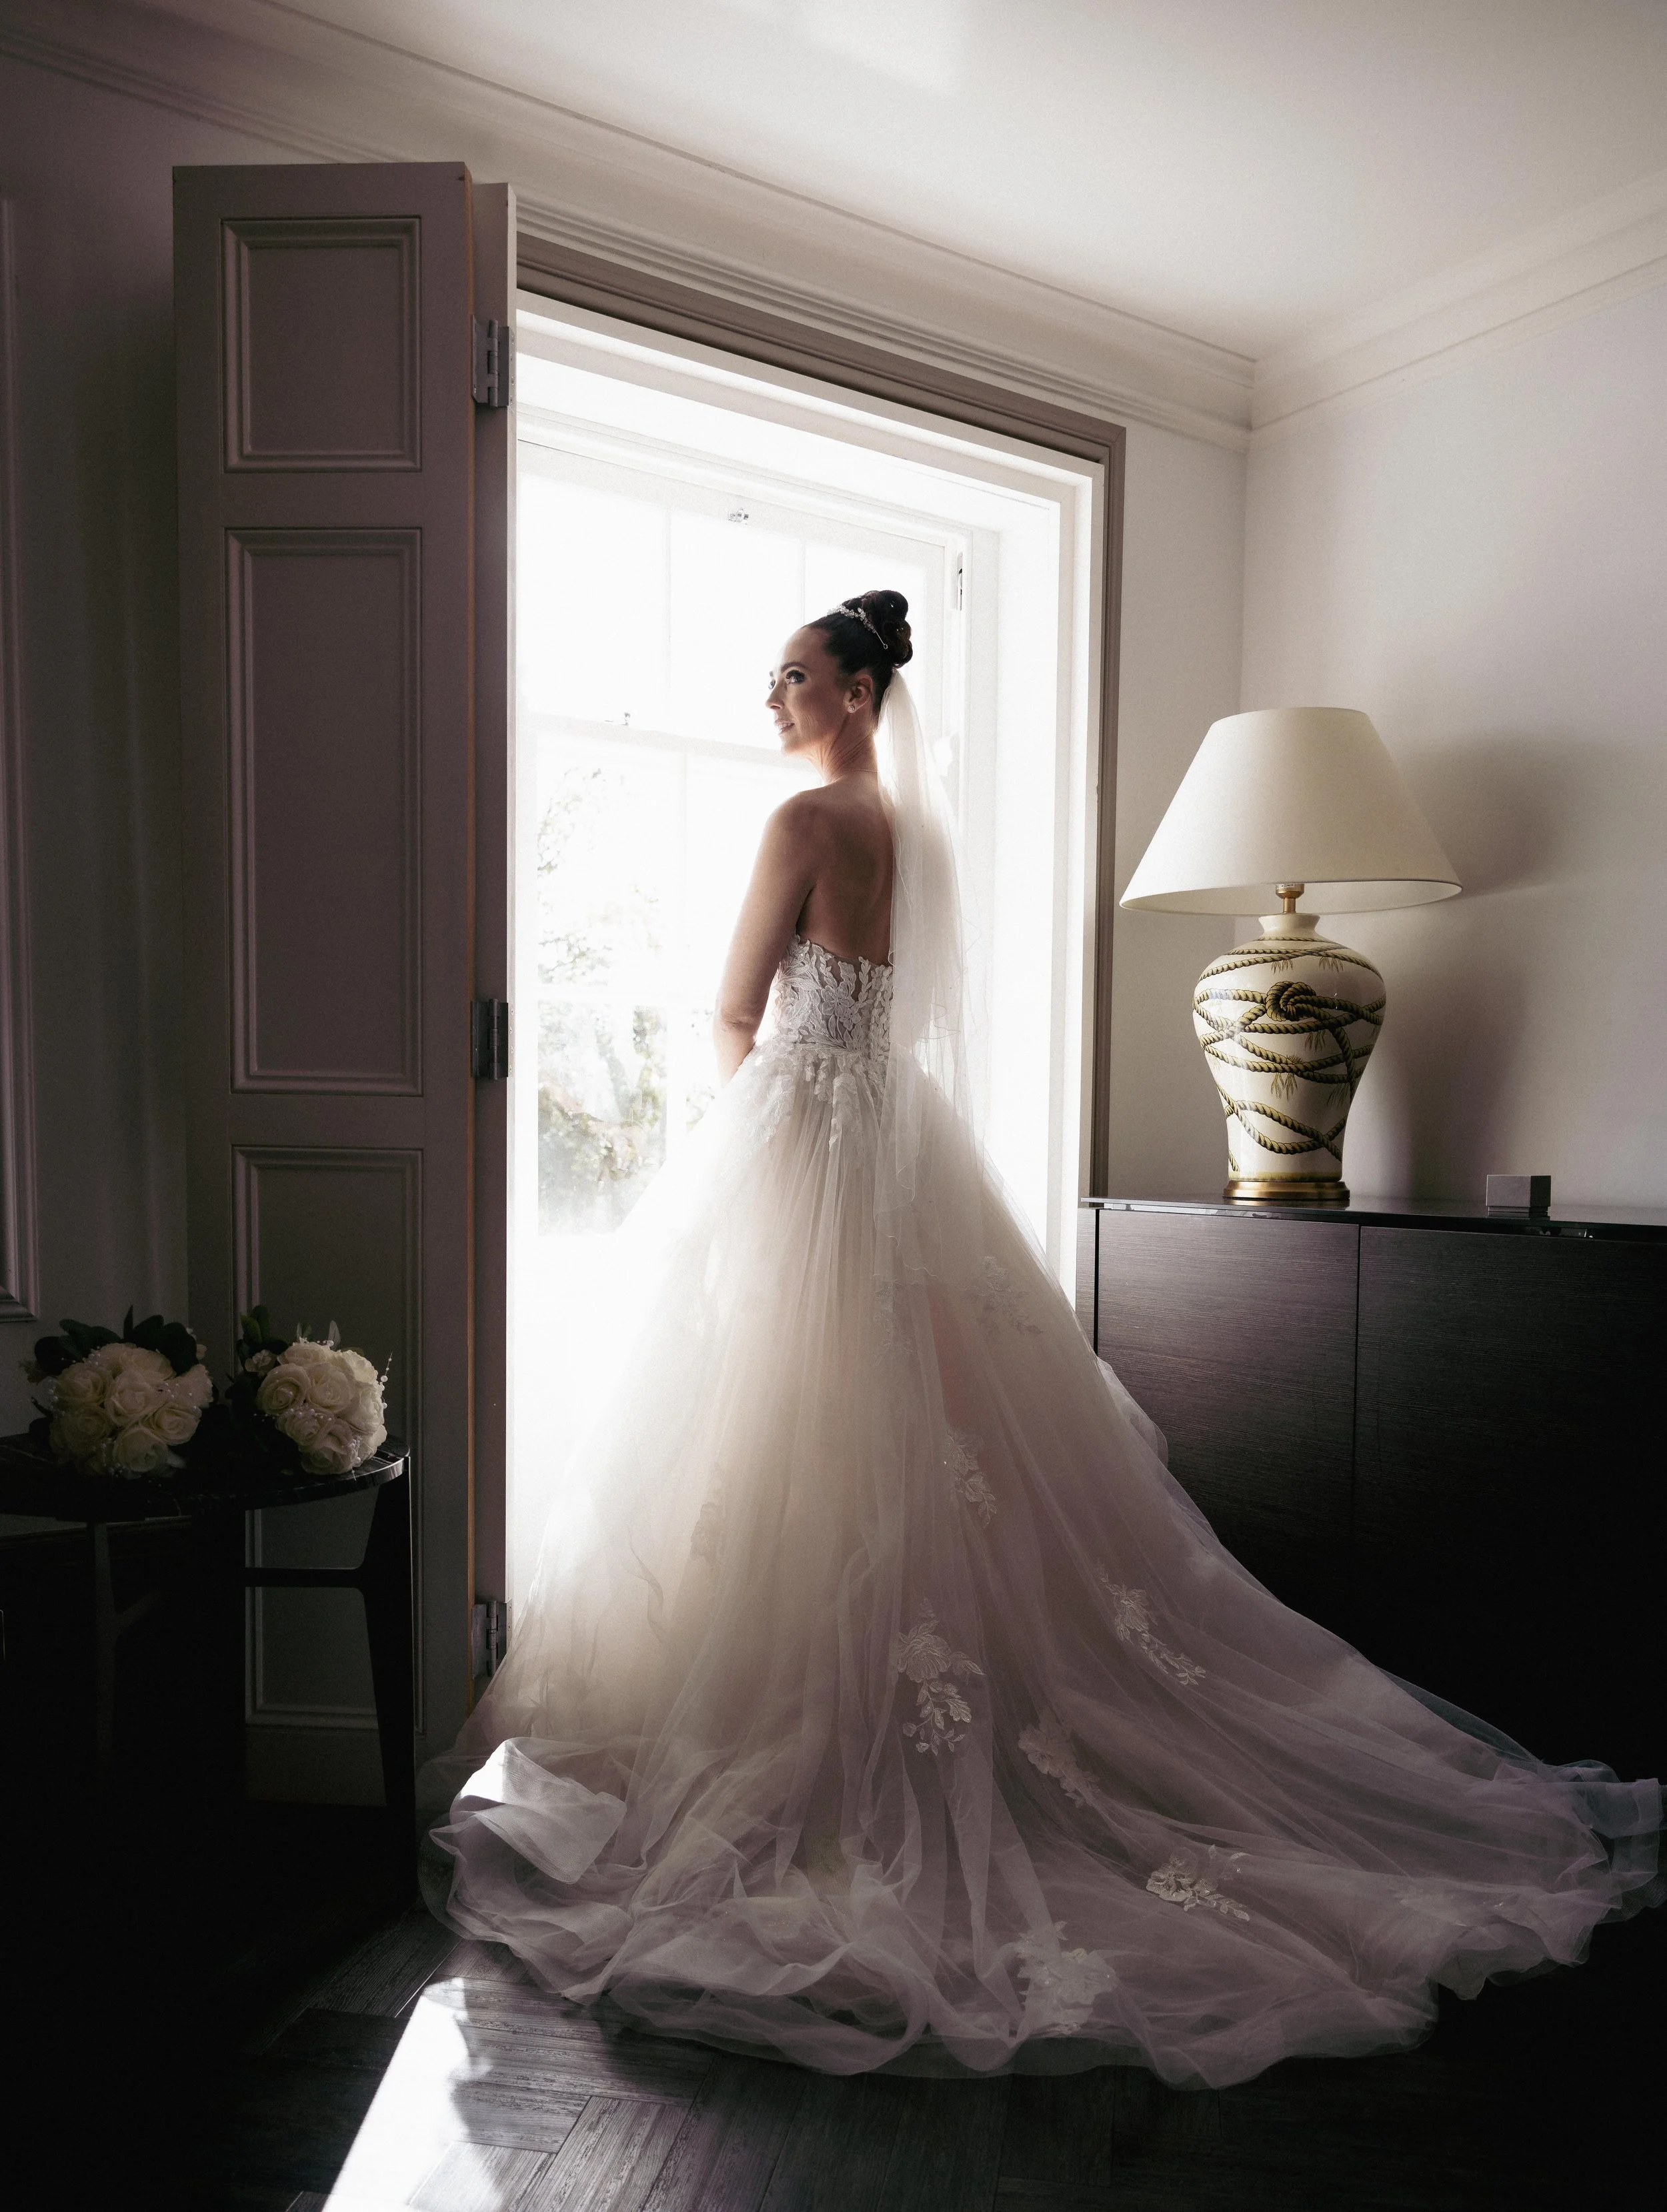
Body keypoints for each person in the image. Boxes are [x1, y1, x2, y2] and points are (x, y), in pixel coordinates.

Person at [423, 591, 1660, 2087]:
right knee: (918, 1446)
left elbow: (734, 1013)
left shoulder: (806, 818)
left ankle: (826, 1748)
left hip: (809, 1153)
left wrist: (744, 1160)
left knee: (789, 1444)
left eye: (794, 676)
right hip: (895, 1154)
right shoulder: (920, 839)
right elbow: (889, 1015)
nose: (774, 698)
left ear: (860, 694)